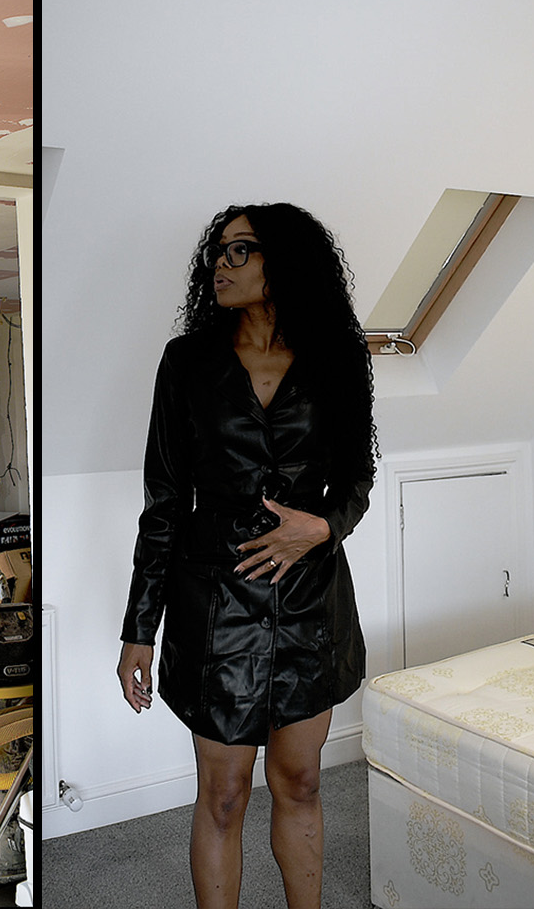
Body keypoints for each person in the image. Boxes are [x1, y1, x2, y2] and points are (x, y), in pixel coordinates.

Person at [117, 204, 377, 909]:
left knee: (301, 782)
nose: (220, 266)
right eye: (218, 253)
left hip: (307, 604)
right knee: (225, 794)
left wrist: (319, 528)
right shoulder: (187, 363)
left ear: (283, 263)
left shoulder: (338, 358)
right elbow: (165, 502)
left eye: (240, 251)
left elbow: (358, 478)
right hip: (216, 607)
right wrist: (140, 627)